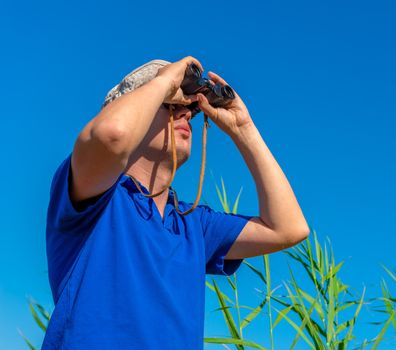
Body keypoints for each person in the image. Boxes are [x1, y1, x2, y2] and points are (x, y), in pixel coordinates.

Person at [43, 56, 309, 349]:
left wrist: (242, 128)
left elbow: (288, 228)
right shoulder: (95, 193)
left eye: (190, 110)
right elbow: (113, 135)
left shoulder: (192, 225)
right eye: (171, 105)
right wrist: (165, 80)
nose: (184, 114)